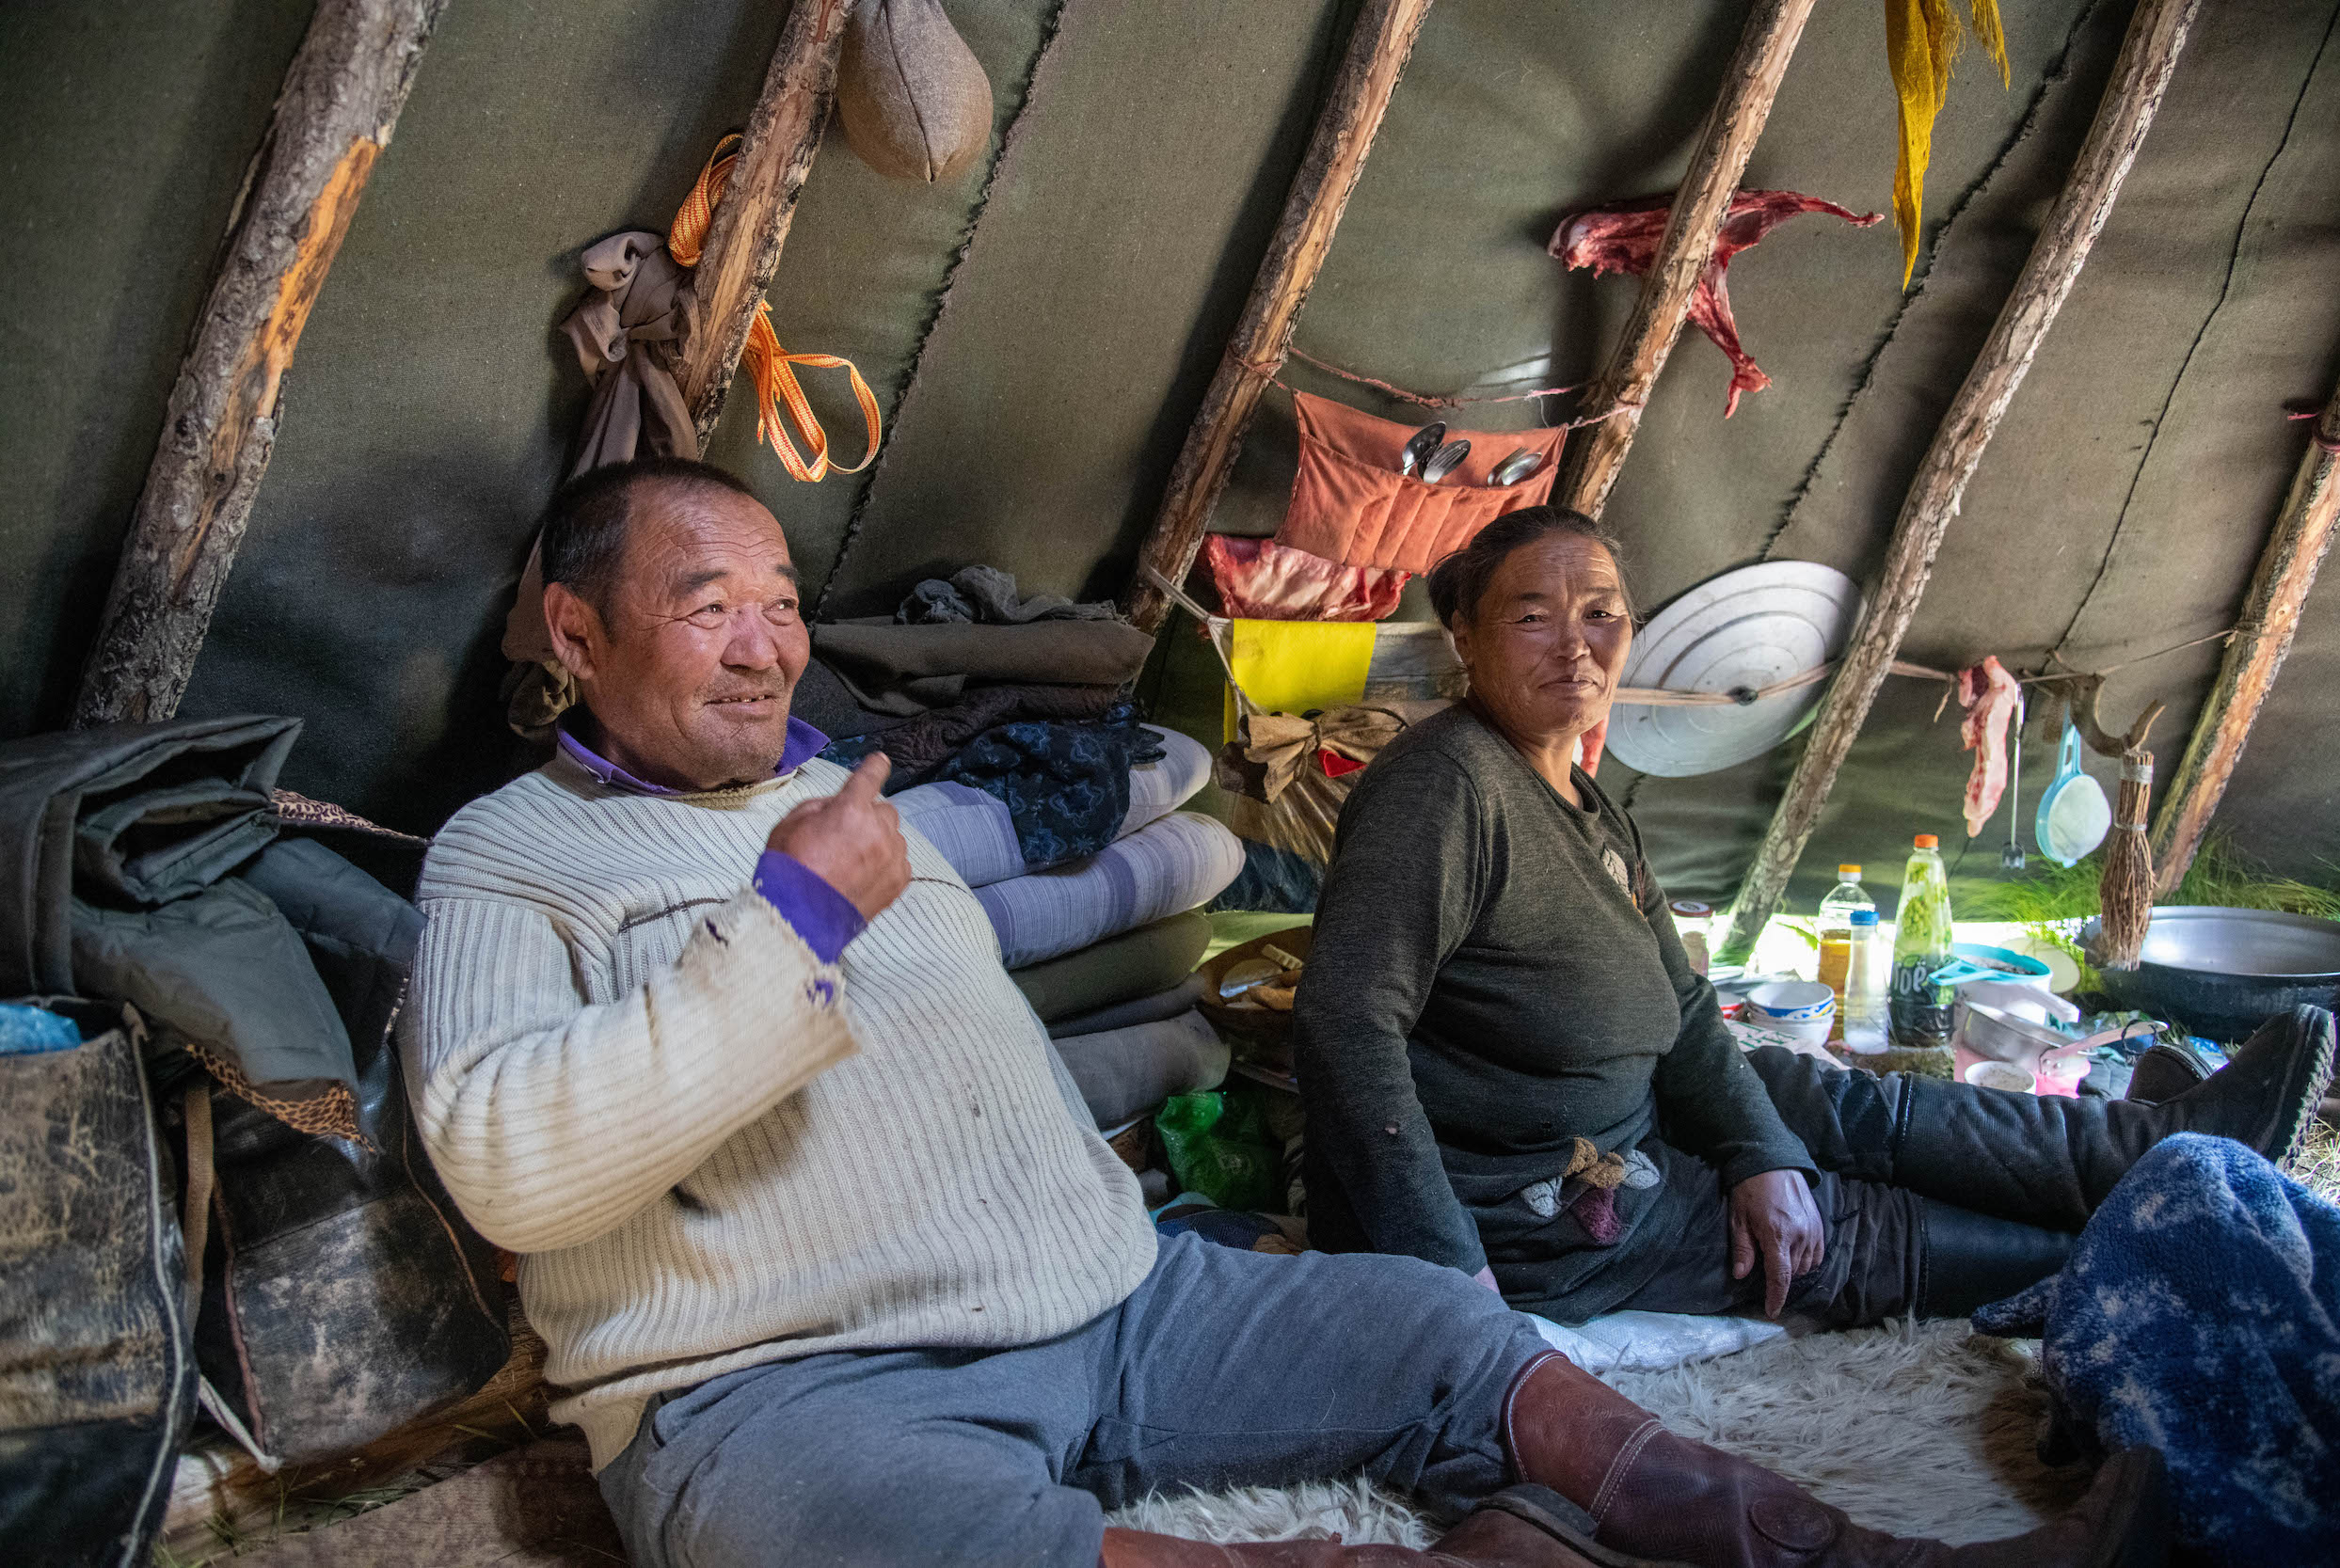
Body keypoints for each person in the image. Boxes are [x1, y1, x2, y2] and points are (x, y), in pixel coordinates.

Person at [403, 461, 2166, 1568]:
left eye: (783, 606)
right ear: (574, 628)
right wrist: (790, 917)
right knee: (852, 1544)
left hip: (1106, 1304)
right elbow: (506, 1166)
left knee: (1432, 1335)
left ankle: (1847, 1548)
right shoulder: (510, 858)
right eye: (708, 604)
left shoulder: (859, 816)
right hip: (791, 1395)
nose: (765, 645)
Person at [1294, 505, 2335, 1331]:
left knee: (1837, 1107)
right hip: (1550, 1195)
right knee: (1847, 1235)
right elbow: (1345, 1024)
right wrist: (1445, 1268)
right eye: (1530, 615)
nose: (1574, 644)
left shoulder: (1577, 793)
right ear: (1466, 638)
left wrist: (1757, 1149)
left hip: (1634, 1100)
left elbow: (1687, 1002)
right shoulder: (1442, 787)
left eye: (1601, 610)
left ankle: (2149, 1143)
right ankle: (2171, 1243)